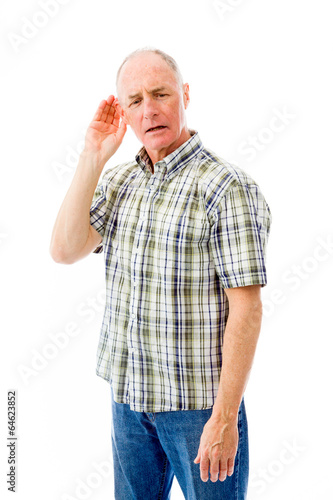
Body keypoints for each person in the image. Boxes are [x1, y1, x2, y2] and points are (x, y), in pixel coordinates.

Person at [50, 47, 271, 499]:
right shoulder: (118, 183)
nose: (149, 110)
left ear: (184, 95)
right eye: (134, 101)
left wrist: (225, 417)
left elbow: (246, 310)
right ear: (124, 113)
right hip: (128, 401)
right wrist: (92, 156)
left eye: (160, 94)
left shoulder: (227, 189)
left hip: (198, 409)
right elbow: (64, 250)